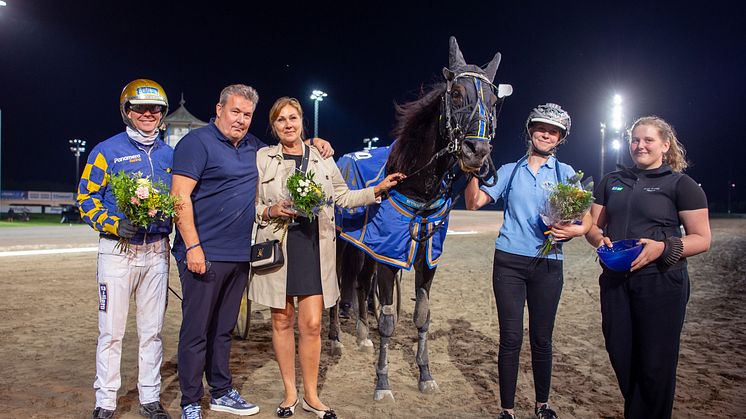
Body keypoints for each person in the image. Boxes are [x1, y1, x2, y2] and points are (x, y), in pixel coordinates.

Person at [171, 86, 334, 419]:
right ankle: (190, 399)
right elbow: (179, 198)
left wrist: (317, 142)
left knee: (223, 329)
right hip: (203, 252)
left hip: (241, 255)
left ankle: (220, 391)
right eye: (235, 112)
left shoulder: (254, 149)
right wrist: (193, 246)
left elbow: (289, 150)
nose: (241, 120)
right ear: (219, 109)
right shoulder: (195, 143)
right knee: (196, 329)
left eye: (247, 115)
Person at [249, 97, 403, 419]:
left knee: (313, 324)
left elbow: (343, 197)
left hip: (314, 247)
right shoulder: (263, 158)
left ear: (302, 121)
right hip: (279, 246)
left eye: (293, 118)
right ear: (273, 126)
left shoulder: (321, 158)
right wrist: (270, 210)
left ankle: (311, 395)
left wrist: (378, 189)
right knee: (281, 320)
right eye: (281, 120)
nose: (288, 124)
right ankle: (289, 394)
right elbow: (252, 205)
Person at [464, 103, 591, 419]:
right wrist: (474, 171)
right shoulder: (510, 170)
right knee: (510, 338)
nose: (546, 134)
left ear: (561, 138)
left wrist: (572, 232)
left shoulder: (567, 174)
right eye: (541, 128)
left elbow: (586, 221)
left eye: (553, 131)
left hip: (549, 262)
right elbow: (474, 202)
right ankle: (506, 409)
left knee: (541, 338)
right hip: (509, 262)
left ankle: (542, 405)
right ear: (530, 130)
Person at [584, 116, 711, 418]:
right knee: (621, 355)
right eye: (635, 140)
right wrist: (599, 240)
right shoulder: (612, 181)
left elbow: (702, 239)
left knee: (655, 366)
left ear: (665, 145)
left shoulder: (681, 184)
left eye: (648, 140)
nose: (640, 146)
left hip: (662, 282)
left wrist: (662, 248)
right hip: (615, 281)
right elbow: (592, 226)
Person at [77, 79, 172, 419]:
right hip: (117, 252)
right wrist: (113, 223)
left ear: (162, 114)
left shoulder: (171, 155)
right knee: (112, 333)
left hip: (157, 252)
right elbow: (85, 197)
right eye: (140, 108)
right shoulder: (106, 151)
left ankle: (150, 397)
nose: (148, 114)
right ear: (127, 111)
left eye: (155, 109)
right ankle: (105, 401)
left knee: (152, 332)